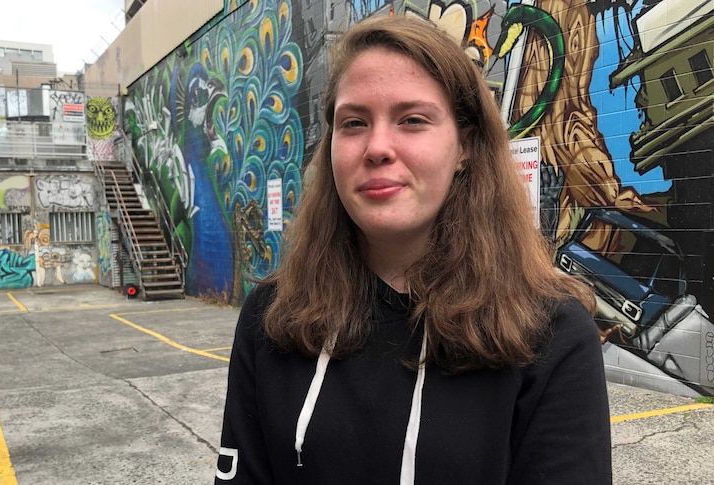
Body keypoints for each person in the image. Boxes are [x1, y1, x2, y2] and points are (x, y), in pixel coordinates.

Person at [215, 14, 611, 485]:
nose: (378, 147)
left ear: (464, 146)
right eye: (355, 122)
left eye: (413, 120)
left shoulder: (551, 332)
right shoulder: (272, 317)